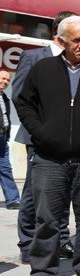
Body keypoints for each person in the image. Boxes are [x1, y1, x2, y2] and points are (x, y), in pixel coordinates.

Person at [15, 17, 80, 276]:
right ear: (61, 41)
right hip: (49, 158)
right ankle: (43, 271)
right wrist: (40, 132)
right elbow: (24, 103)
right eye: (76, 40)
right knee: (46, 218)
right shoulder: (43, 69)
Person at [12, 10, 76, 262]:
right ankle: (28, 243)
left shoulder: (77, 60)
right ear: (59, 32)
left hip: (70, 138)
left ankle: (60, 240)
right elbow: (20, 97)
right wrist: (43, 128)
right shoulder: (33, 57)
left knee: (64, 189)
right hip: (38, 137)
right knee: (33, 191)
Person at [0, 70, 19, 209]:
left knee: (5, 168)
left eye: (7, 80)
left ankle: (12, 200)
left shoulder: (4, 97)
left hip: (2, 138)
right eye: (3, 78)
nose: (5, 82)